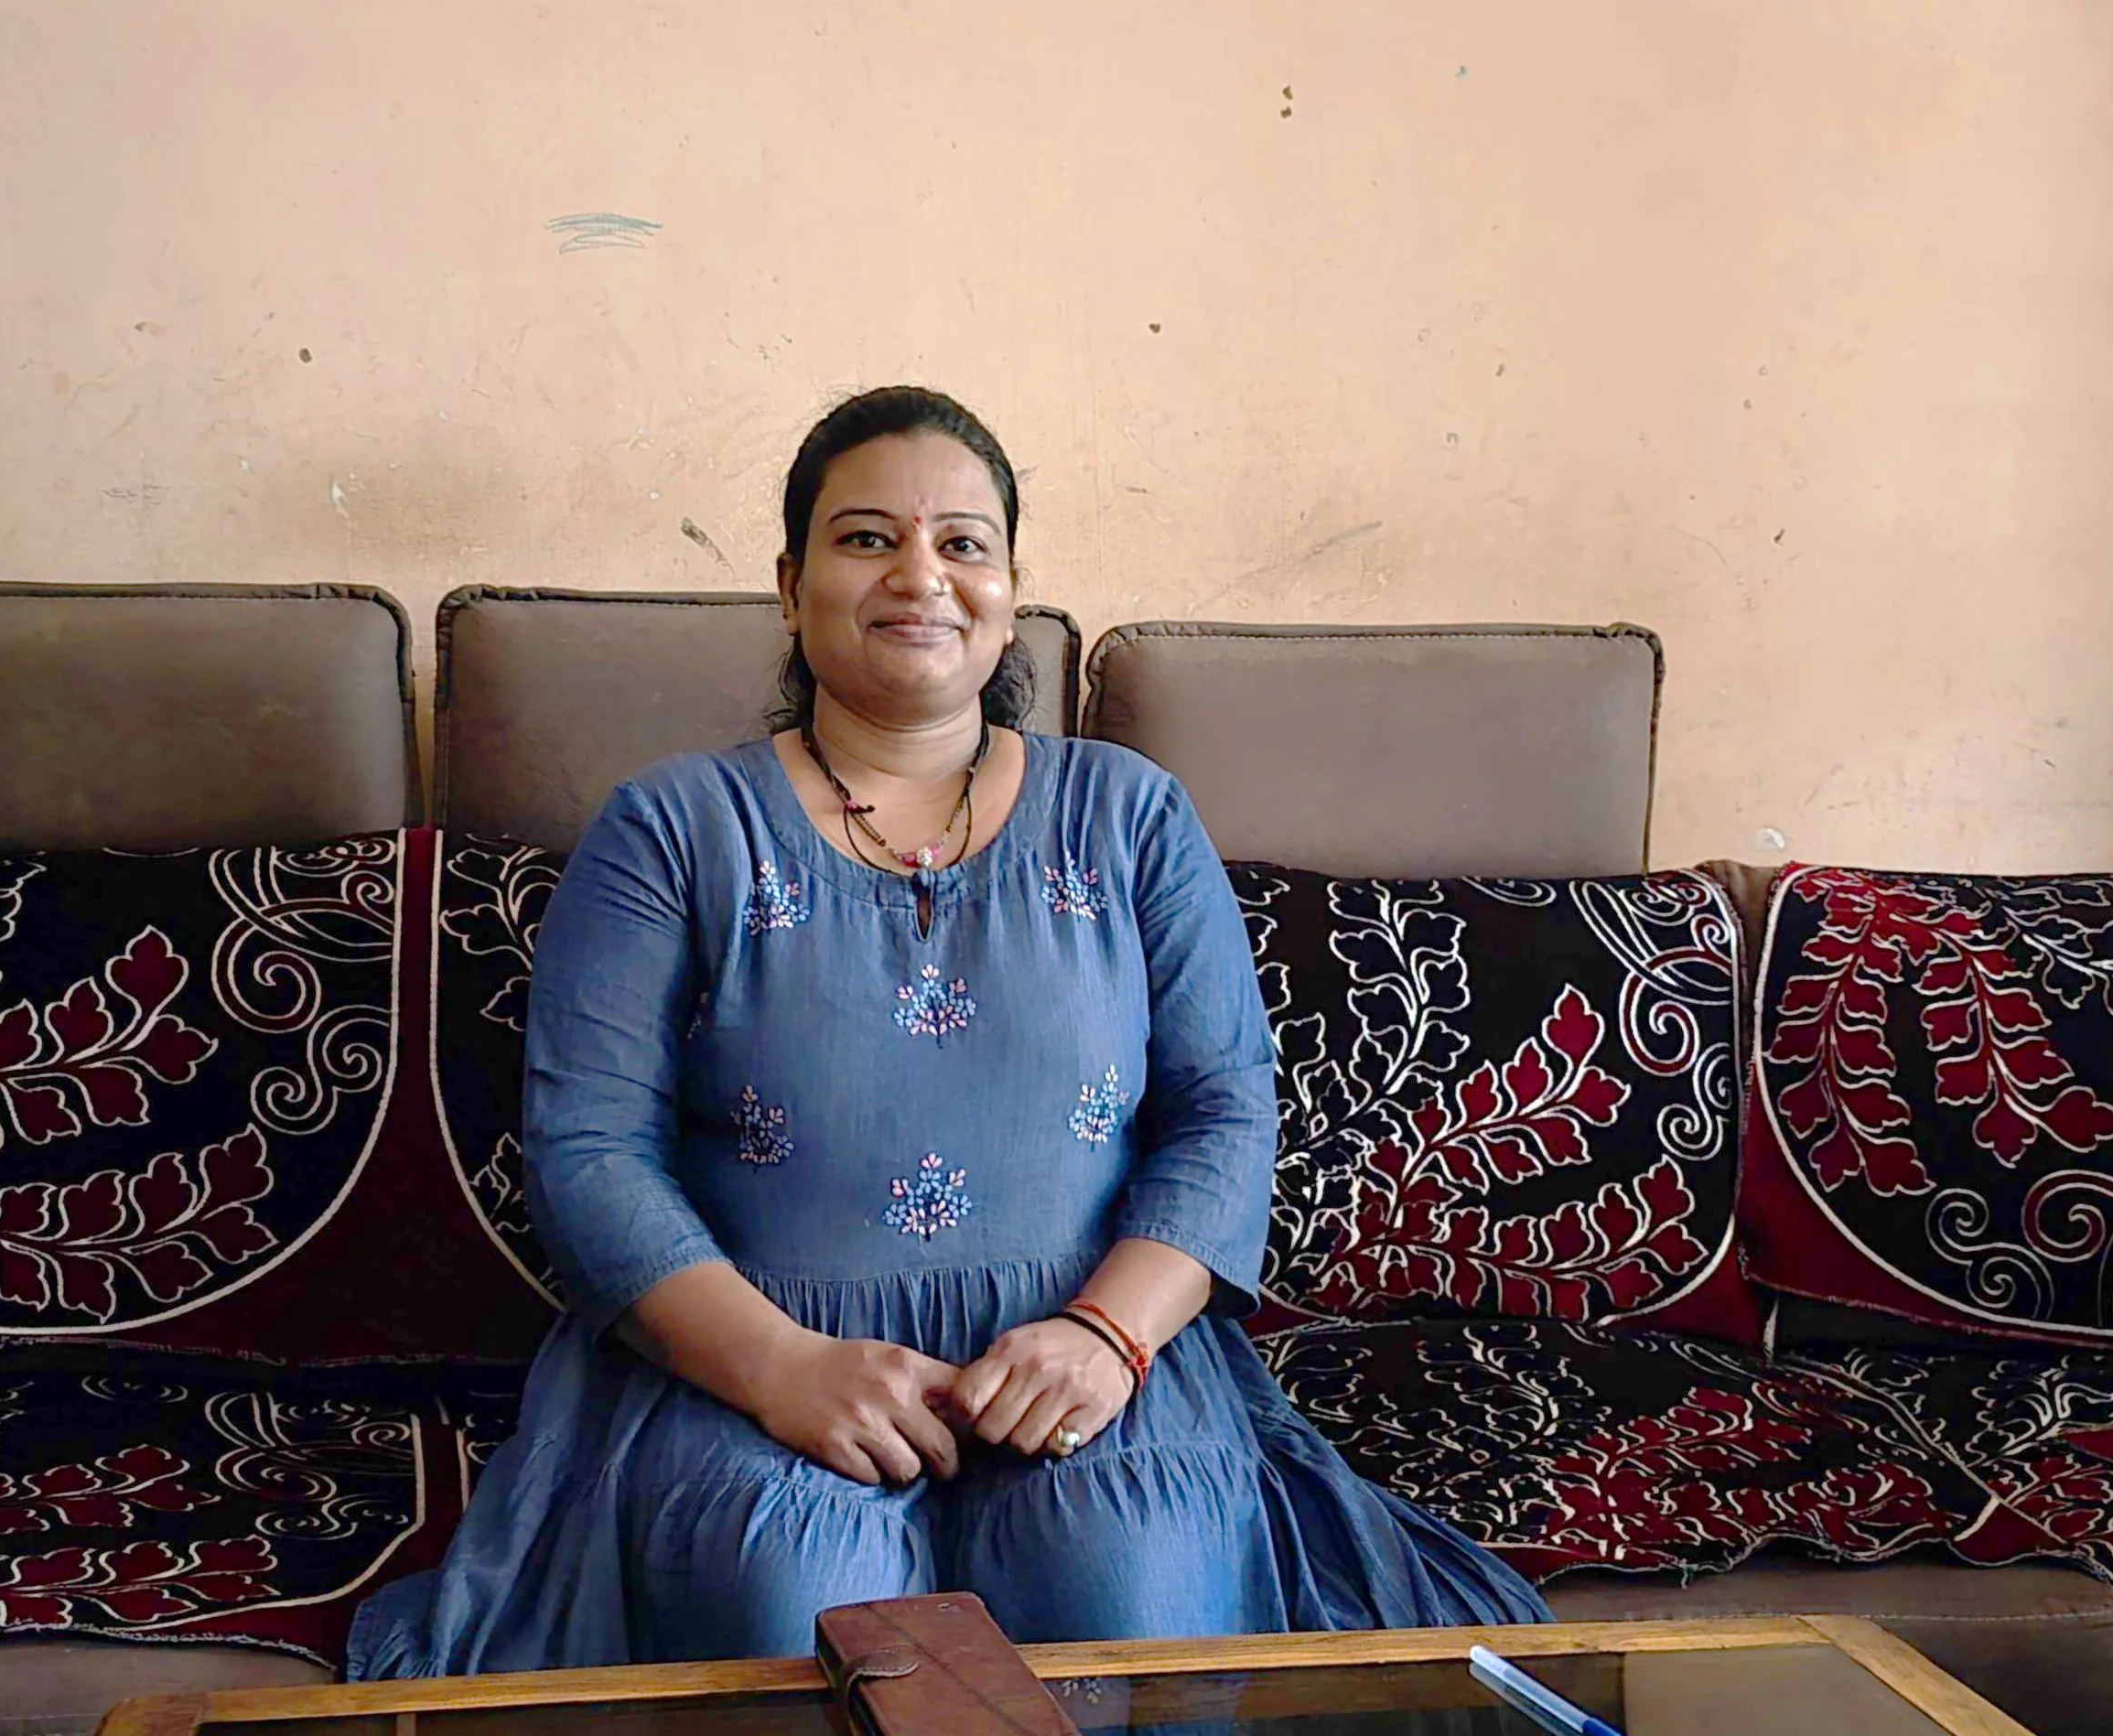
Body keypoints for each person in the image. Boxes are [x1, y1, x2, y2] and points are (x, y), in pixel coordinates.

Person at [348, 386, 1547, 1674]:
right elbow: (586, 1149)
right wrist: (780, 1372)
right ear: (789, 581)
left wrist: (1108, 1337)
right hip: (757, 1351)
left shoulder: (1129, 814)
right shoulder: (672, 828)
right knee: (798, 1610)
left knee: (1135, 1595)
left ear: (1010, 585)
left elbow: (1223, 1108)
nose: (919, 574)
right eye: (866, 538)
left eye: (962, 543)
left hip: (1090, 1346)